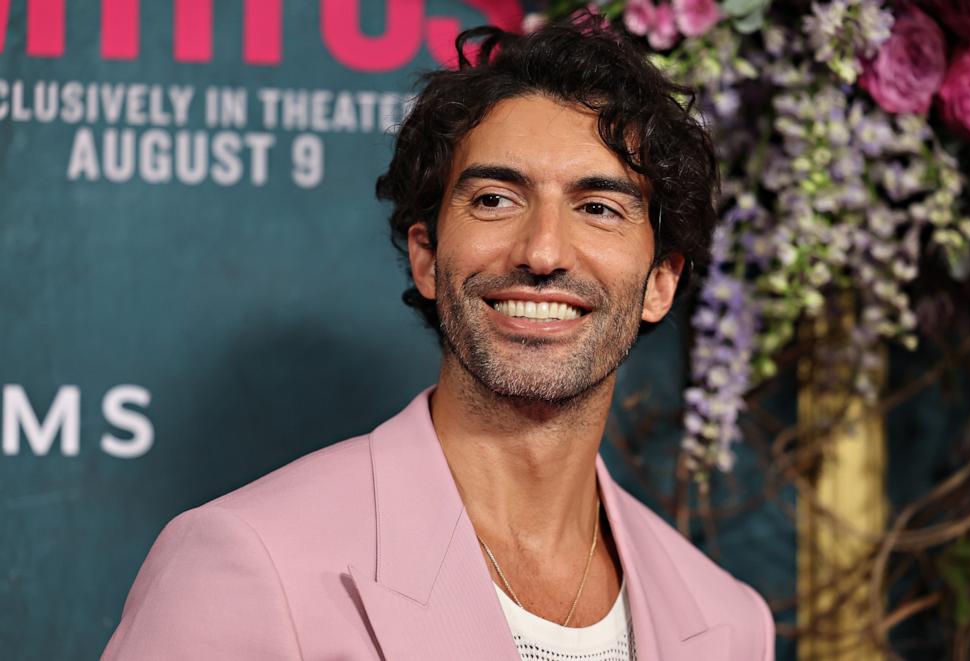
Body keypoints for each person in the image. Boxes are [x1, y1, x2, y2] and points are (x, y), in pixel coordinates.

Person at [102, 16, 775, 661]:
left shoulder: (728, 622)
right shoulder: (250, 561)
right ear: (426, 256)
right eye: (494, 199)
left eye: (598, 208)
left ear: (661, 279)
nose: (542, 251)